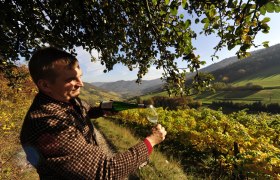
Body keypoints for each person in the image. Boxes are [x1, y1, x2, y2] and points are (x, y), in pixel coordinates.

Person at [20, 47, 167, 179]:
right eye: (71, 79)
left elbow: (85, 110)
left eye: (80, 76)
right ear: (45, 85)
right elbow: (107, 171)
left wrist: (101, 110)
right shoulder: (47, 123)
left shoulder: (67, 99)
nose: (81, 84)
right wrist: (151, 141)